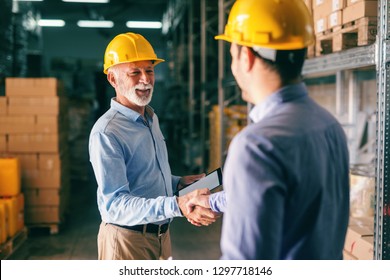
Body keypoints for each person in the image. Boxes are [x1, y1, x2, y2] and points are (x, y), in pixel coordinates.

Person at [186, 0, 350, 260]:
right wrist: (213, 201)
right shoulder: (329, 126)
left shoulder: (255, 146)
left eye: (231, 55)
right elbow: (283, 199)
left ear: (246, 57)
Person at [89, 32, 218, 260]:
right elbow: (115, 205)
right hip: (127, 242)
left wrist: (177, 183)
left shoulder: (150, 117)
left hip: (161, 236)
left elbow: (144, 177)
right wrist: (177, 205)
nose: (145, 80)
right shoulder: (107, 132)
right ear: (112, 79)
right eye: (134, 73)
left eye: (149, 70)